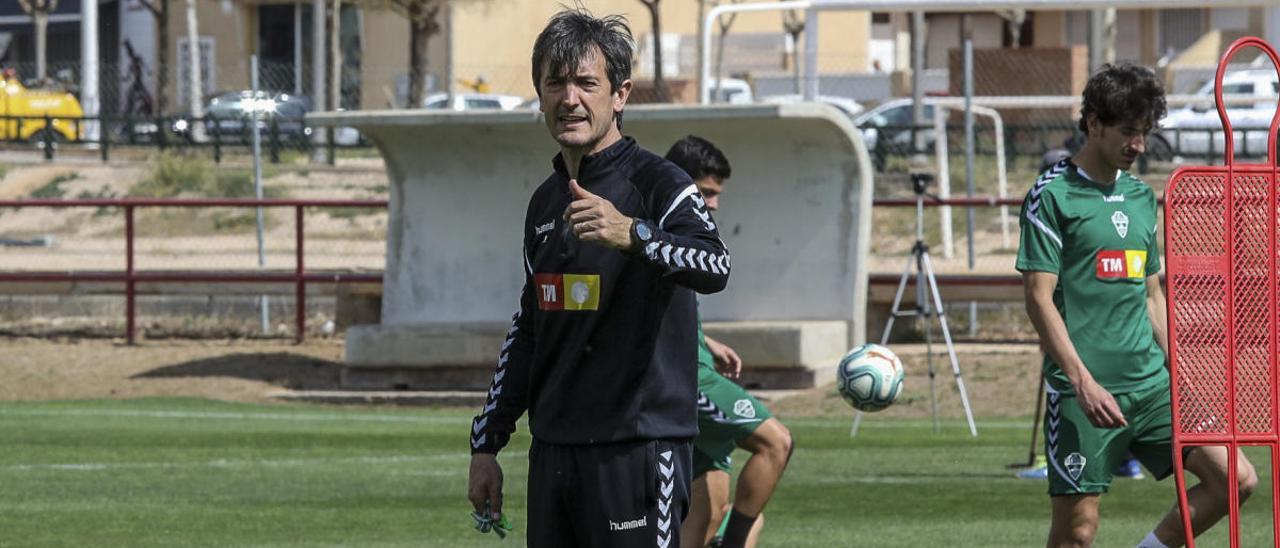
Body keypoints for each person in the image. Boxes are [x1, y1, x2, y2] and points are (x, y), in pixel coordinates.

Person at [466, 9, 731, 548]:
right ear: (539, 95)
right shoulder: (545, 201)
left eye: (587, 83)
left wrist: (634, 235)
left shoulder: (659, 184)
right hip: (555, 452)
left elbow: (716, 264)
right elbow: (530, 327)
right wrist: (487, 444)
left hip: (638, 449)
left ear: (620, 94)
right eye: (555, 83)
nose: (570, 99)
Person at [1016, 63, 1257, 548]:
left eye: (1145, 133)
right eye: (1128, 132)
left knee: (1235, 479)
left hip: (1153, 387)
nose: (1139, 145)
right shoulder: (1052, 196)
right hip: (1084, 395)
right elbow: (1038, 299)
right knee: (1077, 534)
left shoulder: (1141, 197)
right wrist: (1081, 383)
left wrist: (1181, 374)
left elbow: (1152, 296)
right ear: (1093, 123)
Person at [665, 136, 794, 548]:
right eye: (706, 193)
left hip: (696, 363)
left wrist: (707, 340)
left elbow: (669, 311)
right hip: (686, 379)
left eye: (718, 194)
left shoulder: (682, 231)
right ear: (679, 185)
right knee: (776, 443)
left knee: (710, 512)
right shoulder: (652, 233)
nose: (715, 204)